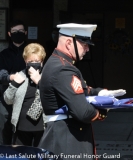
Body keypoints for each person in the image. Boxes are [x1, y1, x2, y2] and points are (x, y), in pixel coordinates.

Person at [38, 23, 126, 159]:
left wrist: (101, 93)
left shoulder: (60, 63)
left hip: (65, 135)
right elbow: (83, 112)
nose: (87, 49)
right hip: (67, 140)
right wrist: (104, 109)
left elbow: (80, 89)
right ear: (68, 42)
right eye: (84, 44)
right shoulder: (63, 69)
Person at [4, 43, 46, 147]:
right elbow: (7, 100)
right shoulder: (20, 76)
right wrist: (14, 84)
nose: (34, 64)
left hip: (43, 128)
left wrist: (40, 82)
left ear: (42, 61)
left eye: (37, 61)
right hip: (21, 128)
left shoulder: (48, 77)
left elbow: (53, 97)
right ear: (25, 61)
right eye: (30, 61)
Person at [0, 20, 27, 145]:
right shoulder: (3, 54)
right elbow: (1, 74)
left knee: (22, 131)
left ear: (25, 33)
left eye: (20, 31)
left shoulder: (30, 53)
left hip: (26, 97)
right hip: (5, 98)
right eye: (15, 32)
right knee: (5, 129)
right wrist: (12, 77)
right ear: (9, 34)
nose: (18, 33)